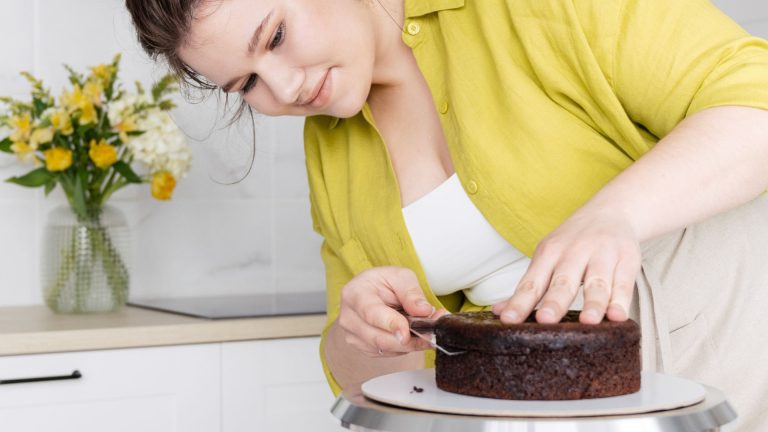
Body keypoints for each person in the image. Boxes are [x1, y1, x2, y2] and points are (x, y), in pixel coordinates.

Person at [124, 0, 768, 429]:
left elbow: (753, 96)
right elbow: (359, 375)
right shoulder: (330, 142)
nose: (284, 88)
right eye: (247, 84)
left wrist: (617, 212)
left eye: (276, 37)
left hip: (731, 367)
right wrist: (362, 334)